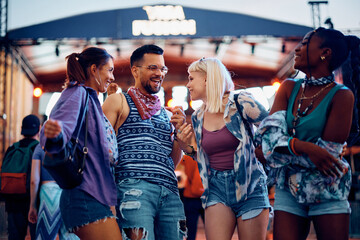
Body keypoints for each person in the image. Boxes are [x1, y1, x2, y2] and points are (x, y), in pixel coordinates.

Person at [256, 27, 360, 240]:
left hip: (328, 189)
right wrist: (305, 147)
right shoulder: (288, 87)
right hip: (288, 189)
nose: (297, 49)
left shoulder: (342, 96)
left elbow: (324, 158)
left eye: (305, 43)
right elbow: (267, 142)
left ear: (325, 53)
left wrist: (282, 148)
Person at [175, 57, 271, 240]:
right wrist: (186, 147)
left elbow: (274, 129)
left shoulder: (240, 102)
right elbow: (204, 158)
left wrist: (263, 155)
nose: (188, 85)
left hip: (250, 186)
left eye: (191, 78)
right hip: (216, 187)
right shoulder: (197, 117)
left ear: (207, 79)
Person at [102, 44, 187, 240]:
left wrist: (179, 132)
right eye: (152, 68)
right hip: (133, 189)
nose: (159, 73)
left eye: (162, 68)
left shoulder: (167, 114)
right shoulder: (118, 101)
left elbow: (171, 160)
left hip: (170, 192)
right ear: (135, 70)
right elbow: (101, 148)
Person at [40, 47, 122, 240]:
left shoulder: (91, 99)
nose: (112, 76)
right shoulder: (77, 93)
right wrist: (55, 135)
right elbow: (57, 129)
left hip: (94, 196)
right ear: (94, 69)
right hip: (84, 196)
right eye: (109, 70)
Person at [1, 114, 40, 240]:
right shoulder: (38, 149)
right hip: (31, 200)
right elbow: (37, 179)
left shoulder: (12, 148)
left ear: (22, 128)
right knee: (35, 235)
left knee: (14, 236)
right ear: (39, 129)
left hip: (12, 200)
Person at [28, 144, 79, 240]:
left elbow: (34, 181)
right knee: (71, 236)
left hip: (49, 194)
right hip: (70, 193)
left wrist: (32, 206)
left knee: (44, 236)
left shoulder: (40, 147)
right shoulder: (72, 144)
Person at [179, 155, 204, 240]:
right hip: (208, 196)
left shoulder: (187, 157)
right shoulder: (208, 153)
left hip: (190, 196)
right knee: (213, 230)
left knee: (190, 230)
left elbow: (179, 170)